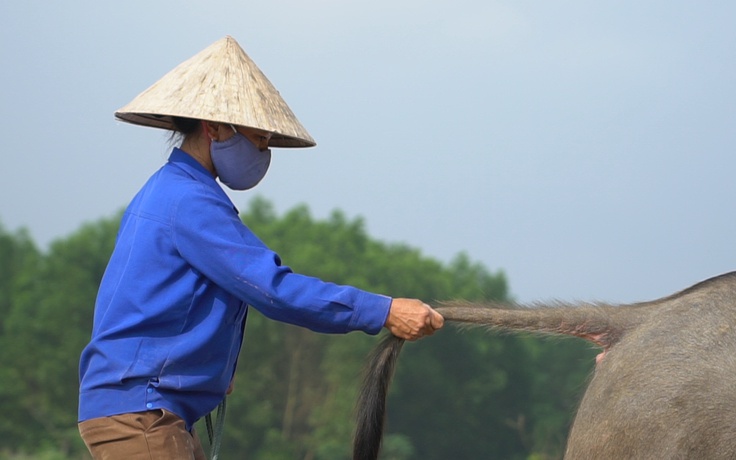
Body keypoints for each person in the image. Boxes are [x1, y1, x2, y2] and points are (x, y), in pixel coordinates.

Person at [77, 36, 444, 459]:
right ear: (214, 128)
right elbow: (274, 290)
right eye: (258, 138)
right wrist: (384, 310)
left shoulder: (176, 192)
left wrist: (212, 367)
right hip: (140, 412)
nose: (263, 152)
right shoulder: (188, 202)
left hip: (151, 408)